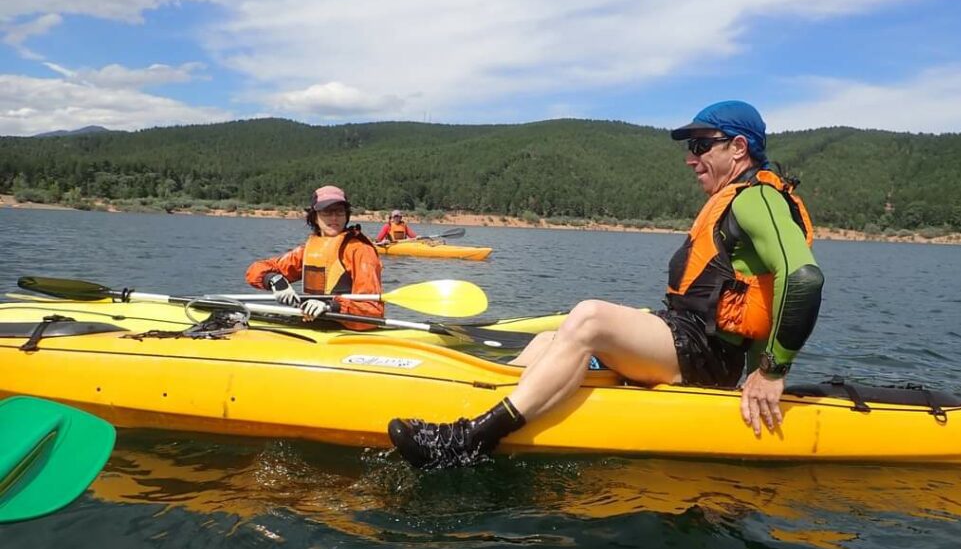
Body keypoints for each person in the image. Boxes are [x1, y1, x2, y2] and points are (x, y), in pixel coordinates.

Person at [388, 100, 824, 468]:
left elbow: (802, 278)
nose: (690, 158)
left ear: (739, 148)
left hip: (704, 355)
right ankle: (490, 407)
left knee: (590, 317)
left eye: (700, 145)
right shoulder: (736, 200)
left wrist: (770, 374)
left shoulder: (757, 198)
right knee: (548, 342)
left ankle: (469, 441)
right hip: (693, 343)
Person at [245, 185, 383, 330]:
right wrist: (273, 280)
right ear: (315, 217)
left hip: (345, 329)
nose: (334, 218)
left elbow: (372, 311)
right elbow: (255, 270)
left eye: (340, 212)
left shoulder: (361, 251)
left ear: (346, 215)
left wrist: (332, 306)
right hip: (313, 324)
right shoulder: (308, 250)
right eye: (327, 212)